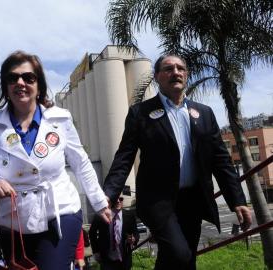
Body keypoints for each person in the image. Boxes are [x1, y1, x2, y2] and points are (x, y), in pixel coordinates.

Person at [103, 54, 252, 270]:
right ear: (157, 76)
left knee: (186, 258)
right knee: (179, 254)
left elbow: (221, 161)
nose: (176, 72)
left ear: (187, 74)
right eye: (168, 68)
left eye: (180, 68)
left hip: (193, 199)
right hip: (157, 200)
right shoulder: (140, 113)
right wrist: (109, 193)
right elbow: (124, 157)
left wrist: (237, 200)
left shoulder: (204, 113)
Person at [0, 50, 111, 270]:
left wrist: (100, 203)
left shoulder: (60, 120)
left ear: (39, 85)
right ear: (5, 85)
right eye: (13, 78)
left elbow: (80, 163)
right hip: (13, 220)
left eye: (28, 78)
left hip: (59, 213)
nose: (20, 82)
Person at [89, 196, 138, 270]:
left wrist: (134, 239)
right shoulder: (101, 215)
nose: (118, 201)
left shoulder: (129, 215)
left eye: (121, 199)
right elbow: (92, 233)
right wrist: (96, 251)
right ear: (109, 201)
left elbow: (136, 232)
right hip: (107, 259)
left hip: (124, 259)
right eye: (115, 199)